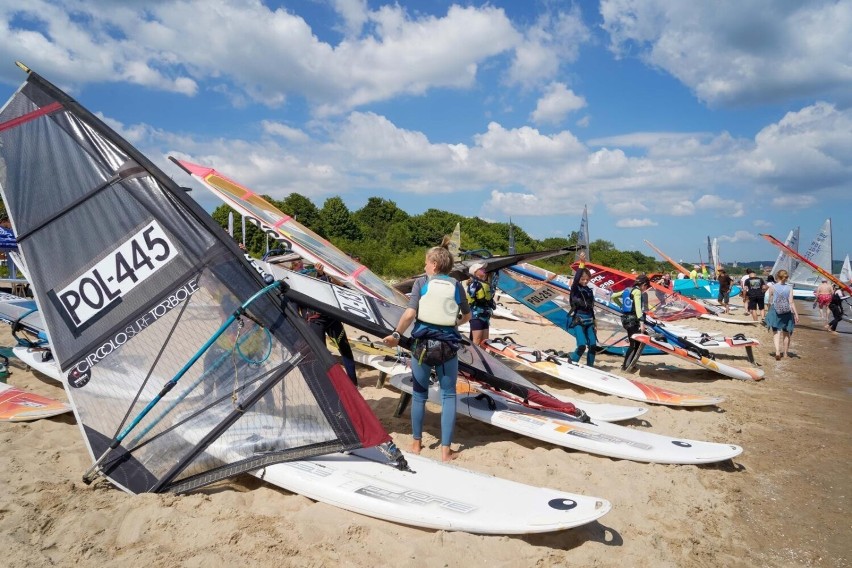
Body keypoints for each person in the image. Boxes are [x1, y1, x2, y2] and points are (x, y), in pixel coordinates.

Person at [383, 244, 471, 462]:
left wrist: (396, 334)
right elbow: (467, 316)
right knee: (448, 395)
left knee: (420, 394)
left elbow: (410, 313)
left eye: (426, 262)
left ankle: (416, 444)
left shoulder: (421, 283)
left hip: (422, 347)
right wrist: (453, 323)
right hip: (448, 348)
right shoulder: (457, 286)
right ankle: (446, 451)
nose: (424, 265)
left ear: (433, 265)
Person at [295, 262, 359, 387]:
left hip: (332, 319)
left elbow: (327, 289)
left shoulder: (323, 277)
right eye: (298, 268)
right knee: (321, 355)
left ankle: (353, 383)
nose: (301, 269)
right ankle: (326, 385)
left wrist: (321, 274)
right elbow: (296, 309)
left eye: (301, 267)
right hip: (315, 323)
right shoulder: (294, 283)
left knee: (345, 349)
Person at [567, 252, 597, 366]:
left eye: (587, 279)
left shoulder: (589, 291)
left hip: (589, 321)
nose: (585, 281)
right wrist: (582, 263)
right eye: (582, 279)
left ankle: (590, 367)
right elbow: (576, 279)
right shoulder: (575, 289)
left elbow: (591, 309)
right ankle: (571, 363)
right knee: (581, 345)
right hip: (578, 321)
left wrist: (595, 323)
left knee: (593, 345)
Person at [764, 269, 799, 360]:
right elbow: (791, 302)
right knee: (786, 333)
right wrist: (796, 314)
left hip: (775, 311)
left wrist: (768, 311)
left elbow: (770, 301)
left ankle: (777, 351)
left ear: (777, 277)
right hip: (787, 312)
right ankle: (786, 354)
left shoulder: (772, 287)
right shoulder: (789, 287)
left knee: (776, 332)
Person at [620, 273, 651, 370]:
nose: (645, 289)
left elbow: (613, 296)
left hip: (626, 320)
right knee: (634, 344)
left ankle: (629, 364)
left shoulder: (628, 290)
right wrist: (642, 323)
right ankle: (625, 366)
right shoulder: (637, 292)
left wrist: (622, 307)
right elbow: (638, 309)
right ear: (643, 285)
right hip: (632, 321)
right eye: (646, 287)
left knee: (636, 342)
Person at [465, 262, 495, 346]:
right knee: (476, 340)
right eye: (481, 269)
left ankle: (482, 359)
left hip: (485, 316)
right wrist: (476, 281)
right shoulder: (473, 284)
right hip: (476, 316)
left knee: (485, 341)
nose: (484, 270)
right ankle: (474, 358)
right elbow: (472, 294)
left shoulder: (485, 284)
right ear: (475, 272)